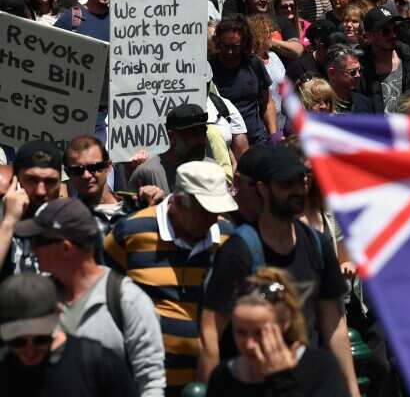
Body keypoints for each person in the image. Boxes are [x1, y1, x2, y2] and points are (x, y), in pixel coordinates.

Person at [199, 146, 358, 396]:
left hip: (307, 382)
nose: (297, 191)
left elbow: (334, 325)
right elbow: (210, 332)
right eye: (286, 184)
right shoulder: (238, 252)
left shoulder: (318, 245)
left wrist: (351, 391)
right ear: (262, 189)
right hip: (253, 384)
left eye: (300, 182)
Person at [106, 161, 237, 392]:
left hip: (207, 384)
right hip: (141, 383)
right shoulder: (131, 232)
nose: (211, 220)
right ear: (178, 201)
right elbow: (104, 295)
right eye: (204, 211)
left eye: (216, 212)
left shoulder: (228, 238)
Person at [18, 198, 165, 396]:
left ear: (65, 248)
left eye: (39, 241)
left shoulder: (127, 300)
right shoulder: (39, 296)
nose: (33, 249)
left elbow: (150, 382)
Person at [205, 268, 348, 397]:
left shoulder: (320, 368)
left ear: (285, 322)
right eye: (241, 332)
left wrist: (281, 379)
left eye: (259, 333)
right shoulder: (224, 376)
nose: (249, 345)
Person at [0, 272, 138, 397]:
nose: (30, 352)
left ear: (58, 316)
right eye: (18, 342)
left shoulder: (97, 363)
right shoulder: (4, 368)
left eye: (41, 339)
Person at [356, 6, 410, 114]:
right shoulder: (359, 69)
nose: (393, 35)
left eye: (395, 29)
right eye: (385, 31)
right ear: (369, 36)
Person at [0, 140, 65, 278]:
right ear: (15, 181)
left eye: (50, 182)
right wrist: (9, 222)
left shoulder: (72, 224)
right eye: (32, 180)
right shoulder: (3, 221)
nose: (40, 191)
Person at [210, 15, 276, 146]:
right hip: (225, 143)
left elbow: (267, 103)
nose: (229, 52)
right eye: (225, 46)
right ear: (218, 42)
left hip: (256, 140)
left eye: (235, 47)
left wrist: (273, 135)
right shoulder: (210, 68)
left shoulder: (254, 64)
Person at [128, 103, 211, 204]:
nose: (201, 139)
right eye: (192, 133)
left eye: (203, 131)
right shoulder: (148, 173)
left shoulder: (212, 169)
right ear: (172, 137)